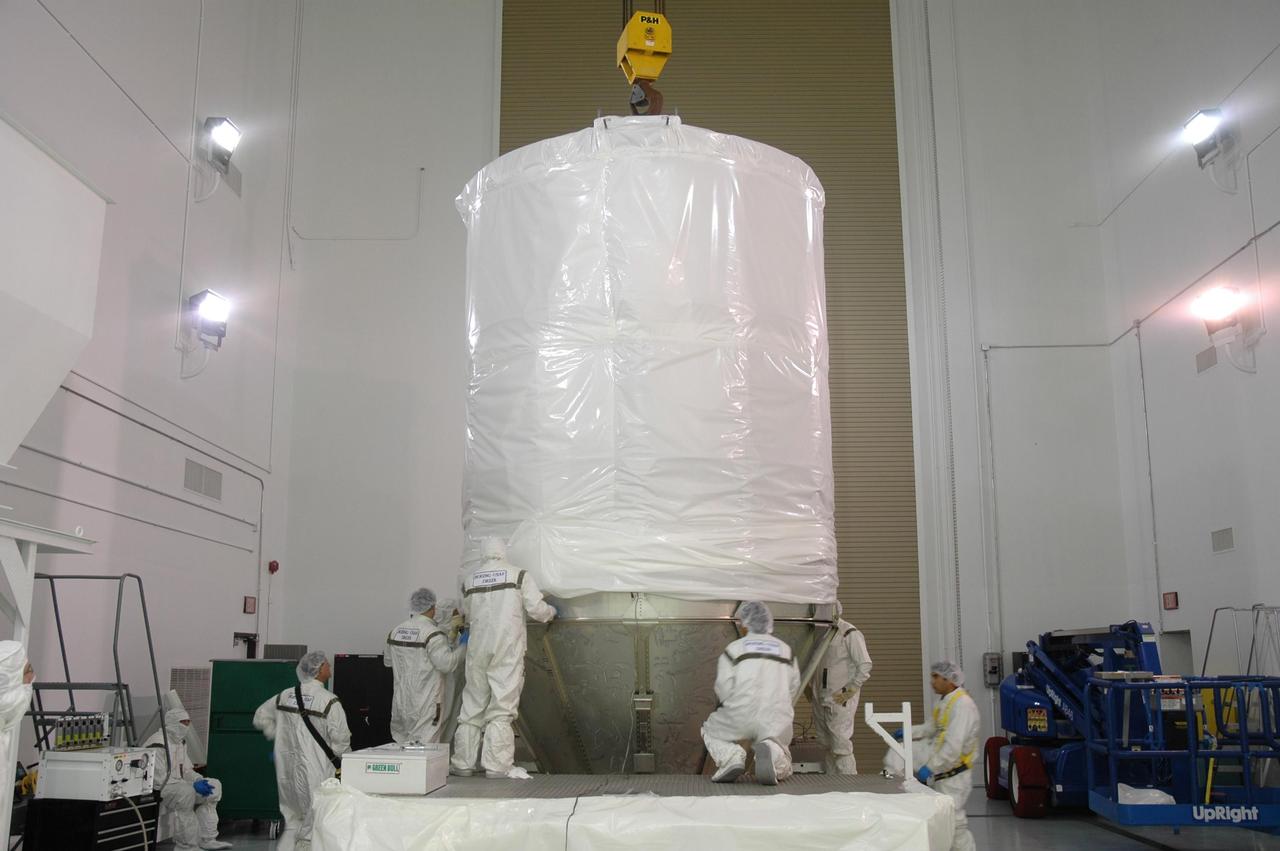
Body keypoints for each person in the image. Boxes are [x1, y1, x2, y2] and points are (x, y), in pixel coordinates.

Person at [450, 537, 556, 779]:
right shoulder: (518, 576)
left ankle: (463, 764)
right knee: (501, 707)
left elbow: (466, 614)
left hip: (477, 650)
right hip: (506, 649)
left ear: (483, 553)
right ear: (502, 552)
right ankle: (496, 766)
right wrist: (551, 612)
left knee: (472, 707)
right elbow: (537, 610)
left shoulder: (470, 580)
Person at [253, 652, 351, 851]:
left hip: (286, 770)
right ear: (319, 669)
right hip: (317, 769)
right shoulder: (329, 701)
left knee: (296, 818)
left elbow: (260, 716)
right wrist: (341, 761)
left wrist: (279, 739)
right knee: (316, 817)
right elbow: (341, 740)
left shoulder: (285, 695)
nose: (330, 669)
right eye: (327, 666)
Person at [701, 601, 800, 785]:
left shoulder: (734, 649)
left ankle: (731, 756)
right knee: (783, 757)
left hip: (741, 715)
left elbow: (723, 686)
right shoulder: (786, 651)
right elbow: (793, 687)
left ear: (745, 625)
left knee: (709, 730)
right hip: (776, 716)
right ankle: (773, 752)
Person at [900, 660, 979, 851]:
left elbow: (953, 747)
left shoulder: (963, 705)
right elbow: (930, 728)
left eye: (936, 677)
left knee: (955, 824)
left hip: (954, 776)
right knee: (944, 823)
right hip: (943, 774)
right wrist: (907, 732)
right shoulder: (945, 701)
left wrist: (931, 767)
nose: (932, 681)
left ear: (949, 679)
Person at [384, 587, 466, 744]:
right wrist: (464, 644)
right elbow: (447, 664)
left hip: (401, 702)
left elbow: (388, 662)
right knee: (424, 751)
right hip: (426, 702)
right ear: (432, 607)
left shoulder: (394, 632)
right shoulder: (433, 634)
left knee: (403, 745)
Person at [144, 708, 231, 850]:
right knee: (187, 794)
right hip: (163, 787)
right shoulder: (158, 744)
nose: (186, 726)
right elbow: (159, 781)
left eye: (187, 722)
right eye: (182, 722)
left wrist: (197, 780)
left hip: (179, 785)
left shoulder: (179, 742)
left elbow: (186, 770)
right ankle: (186, 846)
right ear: (172, 723)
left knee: (214, 786)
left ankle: (206, 838)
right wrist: (191, 786)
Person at [809, 601, 872, 774]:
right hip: (821, 697)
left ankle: (848, 785)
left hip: (839, 698)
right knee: (826, 744)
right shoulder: (820, 634)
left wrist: (850, 690)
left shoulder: (849, 633)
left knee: (840, 744)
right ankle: (832, 786)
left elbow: (865, 665)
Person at [435, 597, 466, 745]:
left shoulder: (454, 632)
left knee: (452, 718)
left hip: (454, 684)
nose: (458, 616)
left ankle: (445, 753)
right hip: (443, 684)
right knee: (444, 717)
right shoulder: (436, 634)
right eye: (455, 613)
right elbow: (449, 659)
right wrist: (464, 644)